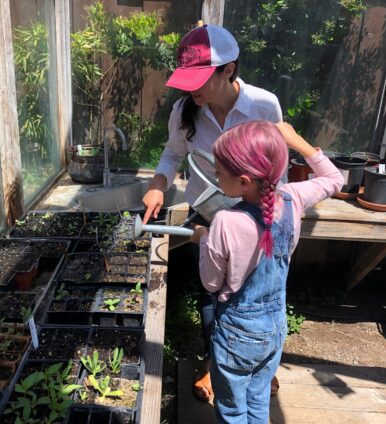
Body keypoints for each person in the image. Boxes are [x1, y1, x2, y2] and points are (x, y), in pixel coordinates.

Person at [142, 24, 283, 402]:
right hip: (207, 212)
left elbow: (276, 162)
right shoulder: (184, 111)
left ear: (229, 69)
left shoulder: (263, 105)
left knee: (257, 291)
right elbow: (173, 153)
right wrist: (158, 183)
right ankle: (213, 361)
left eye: (200, 79)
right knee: (212, 291)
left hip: (254, 216)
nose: (192, 89)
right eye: (187, 80)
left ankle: (261, 364)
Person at [190, 121, 344, 423]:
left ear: (245, 181)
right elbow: (335, 178)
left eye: (220, 173)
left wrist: (204, 238)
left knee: (233, 410)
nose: (217, 177)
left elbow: (210, 283)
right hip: (274, 328)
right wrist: (297, 139)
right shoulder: (292, 197)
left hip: (237, 332)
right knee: (258, 400)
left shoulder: (224, 221)